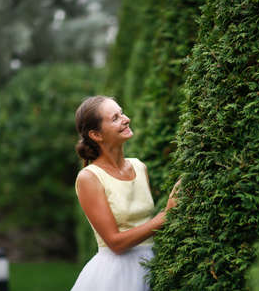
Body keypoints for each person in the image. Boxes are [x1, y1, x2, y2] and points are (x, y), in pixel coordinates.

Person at [70, 95, 180, 291]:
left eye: (122, 113)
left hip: (151, 265)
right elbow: (115, 242)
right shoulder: (89, 178)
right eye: (115, 118)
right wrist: (165, 216)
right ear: (96, 135)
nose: (126, 118)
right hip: (116, 276)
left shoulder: (139, 167)